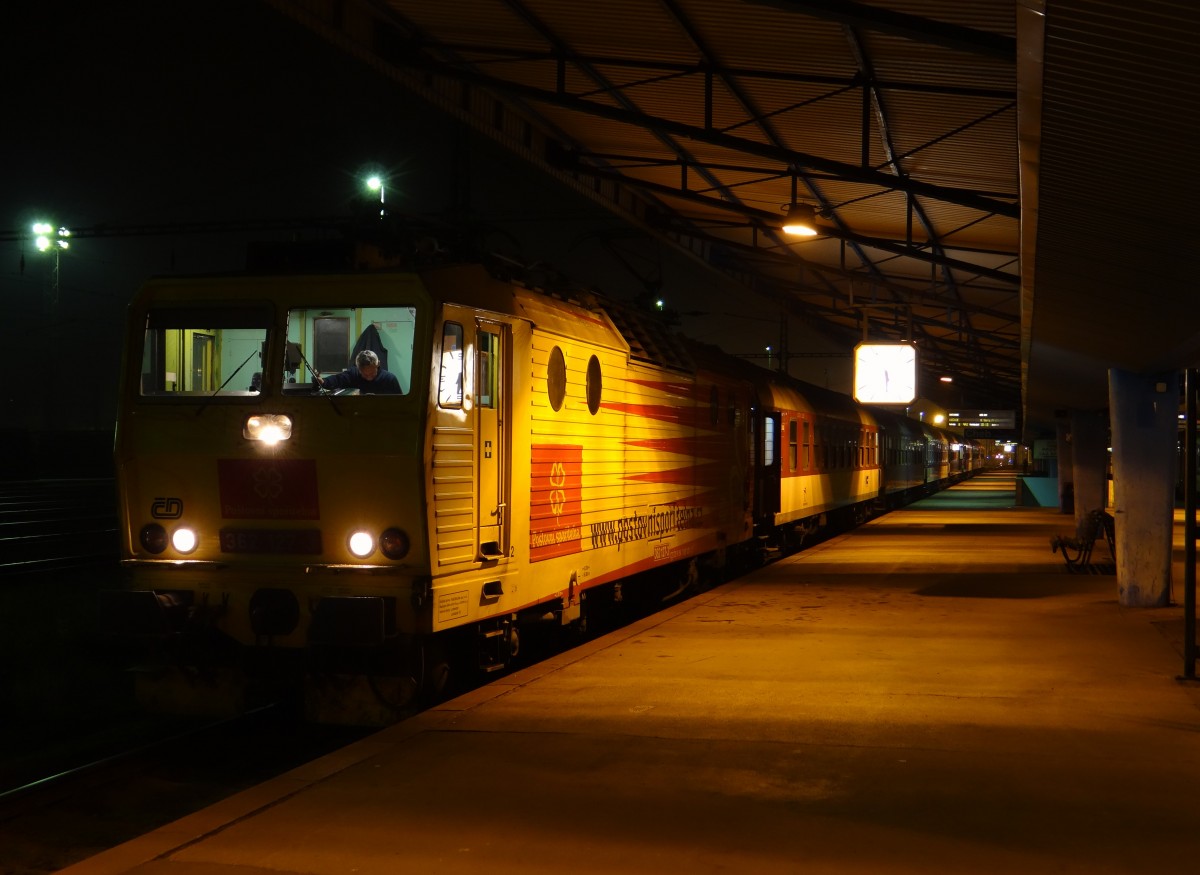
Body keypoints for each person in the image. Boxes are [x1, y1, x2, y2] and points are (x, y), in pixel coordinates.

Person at [317, 350, 402, 394]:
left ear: (378, 364)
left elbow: (400, 403)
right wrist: (323, 382)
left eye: (372, 373)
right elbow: (338, 379)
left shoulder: (389, 379)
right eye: (365, 374)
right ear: (358, 368)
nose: (369, 378)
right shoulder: (353, 374)